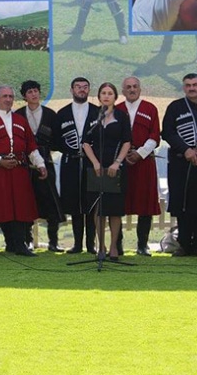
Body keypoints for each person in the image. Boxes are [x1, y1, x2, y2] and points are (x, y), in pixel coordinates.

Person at [0, 85, 47, 257]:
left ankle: (20, 245)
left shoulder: (20, 120)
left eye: (10, 96)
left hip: (18, 169)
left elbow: (31, 145)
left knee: (20, 206)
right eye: (4, 96)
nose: (8, 99)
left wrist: (40, 164)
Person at [161, 73, 197, 257]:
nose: (192, 88)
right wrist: (185, 150)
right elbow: (167, 132)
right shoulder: (175, 107)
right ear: (184, 88)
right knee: (182, 203)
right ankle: (182, 243)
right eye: (188, 85)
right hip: (180, 162)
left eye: (195, 84)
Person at [82, 82, 131, 261]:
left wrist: (117, 162)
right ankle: (100, 246)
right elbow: (85, 142)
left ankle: (113, 247)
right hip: (97, 168)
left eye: (110, 93)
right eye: (103, 93)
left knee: (115, 210)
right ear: (99, 96)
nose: (106, 96)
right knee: (99, 209)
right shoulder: (93, 116)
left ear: (115, 97)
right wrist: (95, 162)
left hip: (115, 167)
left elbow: (127, 142)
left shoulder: (122, 116)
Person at [15, 80, 65, 253]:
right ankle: (27, 240)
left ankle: (53, 241)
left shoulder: (51, 115)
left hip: (46, 160)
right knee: (27, 200)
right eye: (29, 92)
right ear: (24, 96)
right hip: (24, 164)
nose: (34, 94)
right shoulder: (18, 115)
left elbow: (58, 141)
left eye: (36, 91)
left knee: (51, 200)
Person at [115, 77, 161, 256]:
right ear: (123, 91)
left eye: (135, 87)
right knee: (119, 204)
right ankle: (117, 245)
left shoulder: (150, 109)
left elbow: (155, 135)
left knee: (145, 204)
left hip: (144, 162)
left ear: (140, 89)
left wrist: (139, 153)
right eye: (128, 87)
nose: (132, 90)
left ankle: (142, 245)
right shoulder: (116, 109)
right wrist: (123, 154)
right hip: (121, 163)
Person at [55, 77, 100, 254]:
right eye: (78, 87)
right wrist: (69, 149)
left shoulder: (98, 112)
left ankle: (90, 245)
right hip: (70, 163)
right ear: (71, 90)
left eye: (85, 87)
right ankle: (77, 244)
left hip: (92, 164)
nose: (81, 90)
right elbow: (56, 140)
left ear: (89, 90)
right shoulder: (62, 113)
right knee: (74, 206)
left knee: (90, 204)